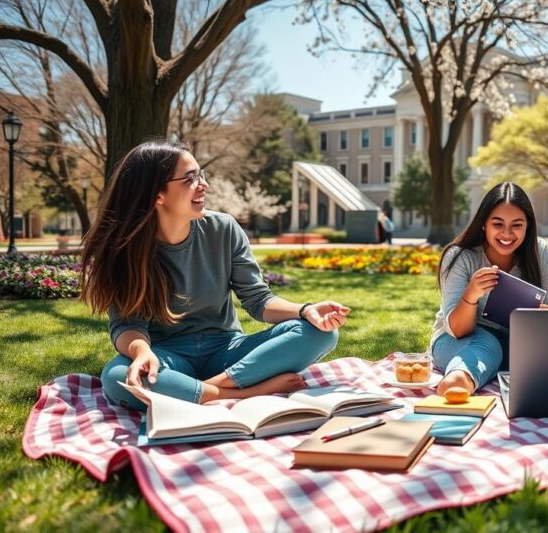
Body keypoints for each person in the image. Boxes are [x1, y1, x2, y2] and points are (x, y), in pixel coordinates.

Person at [82, 139, 350, 411]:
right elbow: (127, 324)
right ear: (156, 194)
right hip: (166, 356)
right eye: (190, 178)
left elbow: (258, 300)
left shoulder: (223, 228)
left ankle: (204, 387)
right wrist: (142, 352)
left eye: (201, 174)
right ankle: (242, 393)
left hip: (228, 352)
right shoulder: (124, 249)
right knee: (116, 376)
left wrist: (306, 310)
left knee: (323, 333)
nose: (203, 184)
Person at [432, 182, 548, 396]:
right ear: (483, 224)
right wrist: (471, 295)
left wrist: (545, 318)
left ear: (528, 226)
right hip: (458, 340)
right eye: (498, 224)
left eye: (516, 225)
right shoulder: (460, 256)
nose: (507, 233)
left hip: (519, 339)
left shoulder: (539, 252)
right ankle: (457, 385)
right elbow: (457, 330)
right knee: (488, 344)